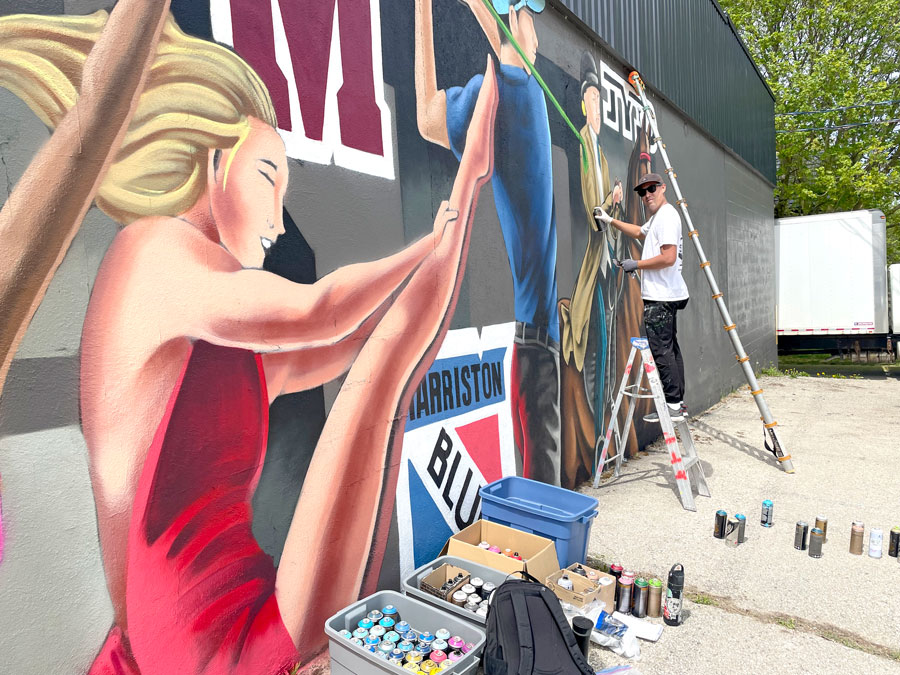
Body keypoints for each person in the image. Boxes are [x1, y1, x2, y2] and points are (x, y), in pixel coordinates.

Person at [0, 9, 498, 673]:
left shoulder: (202, 341)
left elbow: (327, 350)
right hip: (198, 641)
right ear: (215, 163)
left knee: (385, 354)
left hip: (159, 639)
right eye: (267, 177)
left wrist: (431, 252)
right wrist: (428, 243)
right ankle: (469, 182)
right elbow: (322, 314)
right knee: (385, 372)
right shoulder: (155, 254)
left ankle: (469, 183)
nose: (277, 220)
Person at [415, 0, 562, 485]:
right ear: (512, 19)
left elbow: (430, 118)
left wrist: (431, 11)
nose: (537, 35)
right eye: (529, 17)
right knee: (543, 498)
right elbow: (428, 120)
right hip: (537, 347)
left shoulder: (510, 94)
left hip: (536, 343)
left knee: (540, 492)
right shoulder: (504, 96)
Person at [594, 172, 689, 422]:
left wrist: (636, 264)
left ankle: (673, 406)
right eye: (642, 192)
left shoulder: (666, 217)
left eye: (652, 189)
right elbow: (639, 232)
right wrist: (609, 220)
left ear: (663, 188)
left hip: (661, 296)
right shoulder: (658, 217)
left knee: (662, 351)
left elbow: (668, 257)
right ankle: (677, 402)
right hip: (667, 294)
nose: (647, 195)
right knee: (669, 348)